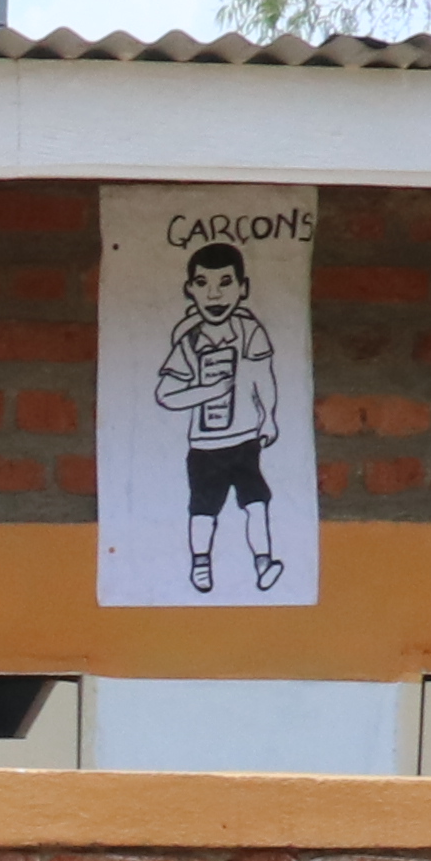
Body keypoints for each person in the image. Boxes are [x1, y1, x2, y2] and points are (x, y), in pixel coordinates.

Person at [157, 231, 286, 593]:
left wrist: (269, 416)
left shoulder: (249, 331)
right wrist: (205, 392)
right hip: (205, 446)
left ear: (243, 289)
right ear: (190, 290)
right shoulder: (189, 341)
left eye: (226, 283)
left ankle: (264, 562)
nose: (215, 294)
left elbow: (264, 376)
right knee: (203, 509)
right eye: (203, 283)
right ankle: (200, 564)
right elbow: (166, 393)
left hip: (245, 440)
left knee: (257, 502)